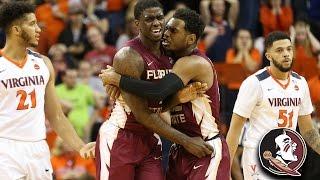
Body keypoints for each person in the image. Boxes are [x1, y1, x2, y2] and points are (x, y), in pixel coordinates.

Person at [100, 8, 230, 179]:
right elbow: (156, 105)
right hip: (181, 147)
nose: (166, 33)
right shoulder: (168, 60)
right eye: (167, 28)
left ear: (190, 39)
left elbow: (157, 92)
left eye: (174, 31)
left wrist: (119, 80)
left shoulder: (193, 63)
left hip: (204, 145)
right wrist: (119, 76)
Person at [0, 2, 94, 179]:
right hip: (5, 148)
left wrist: (80, 146)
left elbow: (56, 116)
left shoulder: (43, 63)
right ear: (16, 30)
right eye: (32, 23)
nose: (38, 29)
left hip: (38, 148)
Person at [226, 31, 320, 179]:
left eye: (289, 49)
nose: (286, 54)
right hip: (257, 156)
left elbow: (308, 130)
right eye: (279, 50)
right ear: (268, 55)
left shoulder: (301, 83)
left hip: (286, 157)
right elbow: (235, 130)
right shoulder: (254, 83)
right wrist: (224, 170)